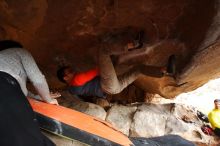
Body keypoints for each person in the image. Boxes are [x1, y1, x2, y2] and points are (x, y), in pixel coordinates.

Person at [57, 30, 176, 99]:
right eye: (69, 71)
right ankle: (133, 45)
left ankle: (164, 70)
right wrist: (110, 63)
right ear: (65, 77)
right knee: (103, 51)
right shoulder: (77, 80)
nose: (73, 70)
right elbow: (99, 71)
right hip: (109, 85)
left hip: (114, 88)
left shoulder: (72, 89)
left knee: (138, 69)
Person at [0, 40, 60, 146]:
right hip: (3, 83)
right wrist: (48, 100)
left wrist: (39, 97)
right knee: (27, 136)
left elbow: (22, 93)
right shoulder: (20, 52)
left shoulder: (7, 63)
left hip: (5, 88)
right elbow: (38, 80)